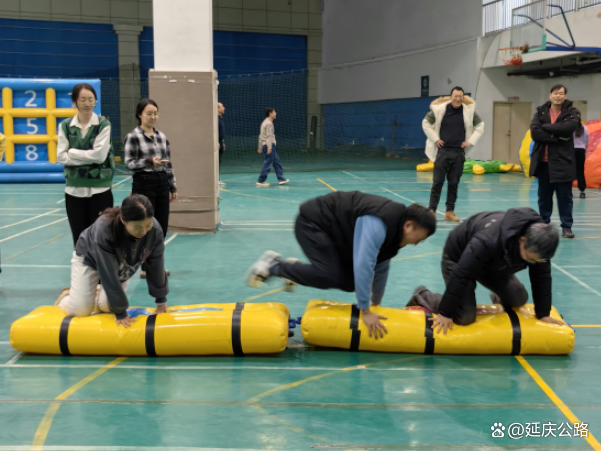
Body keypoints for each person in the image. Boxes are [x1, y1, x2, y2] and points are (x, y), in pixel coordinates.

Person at [245, 192, 436, 338]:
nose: (419, 242)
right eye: (421, 237)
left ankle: (294, 269)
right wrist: (365, 311)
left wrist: (376, 302)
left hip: (335, 234)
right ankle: (274, 266)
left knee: (350, 282)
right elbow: (364, 264)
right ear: (408, 226)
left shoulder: (396, 236)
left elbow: (381, 266)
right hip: (313, 223)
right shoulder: (380, 222)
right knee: (329, 275)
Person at [406, 208, 565, 335]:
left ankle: (499, 296)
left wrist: (543, 313)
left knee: (518, 299)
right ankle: (423, 295)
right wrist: (445, 313)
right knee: (464, 316)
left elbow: (541, 277)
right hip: (458, 258)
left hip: (492, 265)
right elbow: (462, 273)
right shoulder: (488, 240)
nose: (532, 263)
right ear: (522, 240)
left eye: (536, 261)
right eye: (530, 259)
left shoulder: (540, 244)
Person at [56, 195, 169, 328]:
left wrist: (160, 300)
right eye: (138, 227)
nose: (144, 232)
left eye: (148, 225)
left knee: (107, 306)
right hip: (89, 257)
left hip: (122, 262)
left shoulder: (155, 230)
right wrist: (120, 313)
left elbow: (156, 265)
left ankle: (93, 292)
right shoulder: (104, 229)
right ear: (123, 220)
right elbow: (108, 273)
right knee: (80, 310)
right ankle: (68, 297)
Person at [124, 99, 177, 278]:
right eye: (149, 113)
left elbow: (169, 164)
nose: (153, 117)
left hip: (162, 182)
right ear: (140, 115)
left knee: (161, 227)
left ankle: (156, 265)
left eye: (155, 113)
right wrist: (148, 162)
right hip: (143, 183)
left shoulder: (162, 137)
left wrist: (172, 185)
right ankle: (146, 267)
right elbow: (128, 163)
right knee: (145, 226)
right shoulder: (133, 137)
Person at [57, 83, 114, 246]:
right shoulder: (65, 126)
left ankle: (99, 264)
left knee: (101, 238)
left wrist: (73, 153)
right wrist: (89, 157)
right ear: (74, 101)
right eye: (82, 99)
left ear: (96, 101)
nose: (87, 103)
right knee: (79, 238)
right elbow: (61, 156)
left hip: (100, 189)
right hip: (73, 190)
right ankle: (81, 264)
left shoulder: (103, 124)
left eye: (91, 99)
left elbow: (99, 156)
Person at [423, 87, 484, 222]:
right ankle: (432, 211)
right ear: (451, 97)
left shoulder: (469, 111)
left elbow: (480, 126)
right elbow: (425, 123)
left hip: (459, 153)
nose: (457, 99)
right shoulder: (439, 109)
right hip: (442, 152)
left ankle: (449, 212)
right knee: (437, 183)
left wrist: (470, 142)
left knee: (454, 183)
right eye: (455, 96)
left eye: (460, 96)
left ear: (463, 97)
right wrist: (435, 139)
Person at [530, 84, 580, 239]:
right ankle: (544, 224)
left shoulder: (572, 113)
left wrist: (546, 127)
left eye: (561, 93)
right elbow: (535, 133)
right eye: (556, 93)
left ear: (565, 96)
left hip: (563, 162)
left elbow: (568, 129)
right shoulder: (540, 112)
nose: (558, 96)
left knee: (565, 197)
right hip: (543, 162)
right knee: (543, 197)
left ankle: (566, 226)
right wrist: (556, 136)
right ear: (550, 95)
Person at [257, 107, 289, 187]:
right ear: (270, 113)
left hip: (266, 145)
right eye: (274, 112)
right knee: (268, 163)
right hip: (269, 146)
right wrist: (269, 148)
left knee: (277, 162)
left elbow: (261, 136)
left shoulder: (265, 122)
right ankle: (261, 180)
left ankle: (281, 179)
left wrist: (260, 146)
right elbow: (269, 136)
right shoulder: (268, 123)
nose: (275, 114)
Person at [574, 119, 589, 199]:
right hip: (581, 150)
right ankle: (582, 191)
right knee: (580, 171)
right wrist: (584, 148)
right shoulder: (584, 127)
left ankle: (568, 190)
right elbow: (587, 139)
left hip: (572, 150)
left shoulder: (571, 127)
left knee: (570, 170)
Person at [218, 102, 226, 187]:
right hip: (217, 143)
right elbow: (215, 131)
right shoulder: (216, 119)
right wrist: (216, 142)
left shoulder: (220, 119)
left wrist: (222, 142)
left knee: (219, 162)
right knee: (216, 162)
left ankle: (217, 179)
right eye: (222, 107)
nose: (224, 108)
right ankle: (216, 180)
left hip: (220, 143)